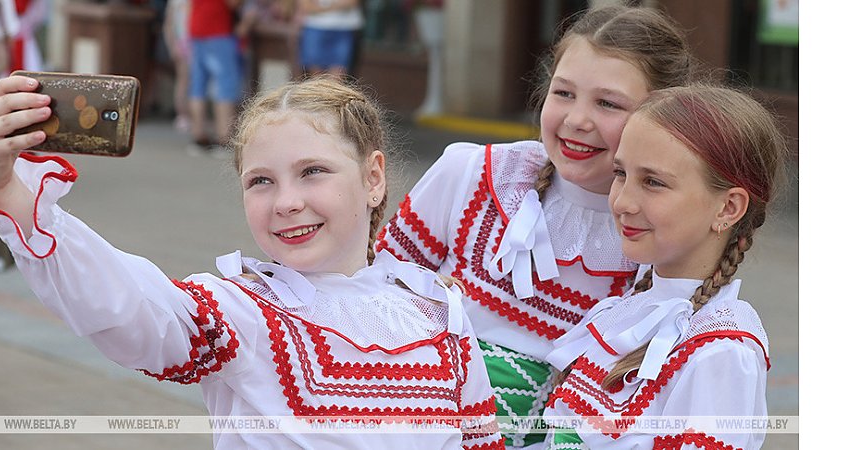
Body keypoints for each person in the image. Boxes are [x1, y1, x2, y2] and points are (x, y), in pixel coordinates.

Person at [0, 75, 503, 449]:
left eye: (313, 172)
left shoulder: (439, 311)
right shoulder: (241, 313)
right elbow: (130, 305)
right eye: (261, 181)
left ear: (373, 179)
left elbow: (481, 442)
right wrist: (8, 191)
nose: (285, 202)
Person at [375, 5, 694, 447]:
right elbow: (372, 288)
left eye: (607, 103)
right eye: (563, 93)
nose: (577, 119)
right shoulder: (473, 174)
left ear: (664, 116)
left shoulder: (662, 234)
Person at [539, 84, 786, 449]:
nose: (622, 202)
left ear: (728, 208)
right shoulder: (624, 313)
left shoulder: (720, 352)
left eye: (653, 182)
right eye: (621, 174)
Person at [187, 0, 243, 157]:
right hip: (217, 30)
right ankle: (223, 138)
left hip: (197, 29)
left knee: (198, 86)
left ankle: (198, 136)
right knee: (226, 85)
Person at [296, 0, 365, 79]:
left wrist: (321, 7)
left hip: (344, 29)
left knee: (337, 77)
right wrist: (338, 6)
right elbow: (306, 6)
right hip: (314, 27)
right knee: (315, 78)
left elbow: (352, 2)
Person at [164, 0, 192, 133]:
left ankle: (190, 116)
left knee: (189, 82)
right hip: (184, 42)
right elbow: (169, 24)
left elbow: (168, 25)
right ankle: (182, 115)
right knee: (184, 80)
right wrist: (172, 46)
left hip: (194, 40)